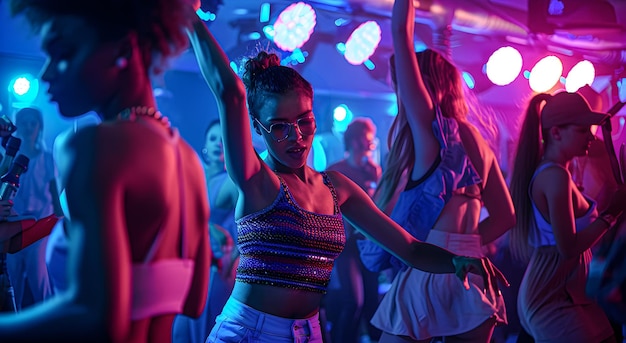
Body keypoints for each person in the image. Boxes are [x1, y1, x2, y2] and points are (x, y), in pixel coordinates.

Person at [187, 14, 507, 343]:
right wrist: (188, 15)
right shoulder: (258, 180)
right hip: (248, 333)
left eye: (304, 121)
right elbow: (230, 93)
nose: (296, 136)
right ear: (258, 127)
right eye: (279, 126)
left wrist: (456, 260)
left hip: (309, 334)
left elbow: (409, 249)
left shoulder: (336, 188)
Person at [1, 0, 210, 342]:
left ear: (123, 49)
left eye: (63, 51)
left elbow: (95, 317)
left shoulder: (95, 146)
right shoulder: (188, 161)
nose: (46, 73)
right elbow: (194, 301)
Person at [359, 1, 516, 342]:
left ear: (423, 85)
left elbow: (401, 33)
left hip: (432, 264)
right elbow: (505, 217)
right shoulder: (480, 143)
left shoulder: (432, 133)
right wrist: (468, 244)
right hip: (474, 271)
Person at [509, 90, 626, 343]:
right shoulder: (555, 177)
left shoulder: (561, 172)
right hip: (552, 292)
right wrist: (610, 214)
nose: (590, 137)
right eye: (583, 130)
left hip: (568, 289)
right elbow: (568, 247)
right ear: (556, 132)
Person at [173, 119, 238, 343]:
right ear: (205, 145)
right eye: (212, 139)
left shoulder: (231, 182)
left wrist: (237, 255)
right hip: (185, 263)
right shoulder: (191, 174)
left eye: (222, 139)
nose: (218, 143)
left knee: (206, 330)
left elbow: (253, 222)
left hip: (216, 267)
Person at [324, 117, 382, 343]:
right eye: (366, 138)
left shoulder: (373, 171)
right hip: (345, 246)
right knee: (353, 300)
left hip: (368, 244)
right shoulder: (336, 171)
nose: (370, 143)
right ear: (355, 141)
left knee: (371, 303)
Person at [5, 107, 61, 310]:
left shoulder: (47, 159)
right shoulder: (8, 159)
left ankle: (50, 329)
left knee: (40, 283)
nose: (28, 128)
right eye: (24, 123)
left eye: (33, 123)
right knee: (11, 287)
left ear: (40, 127)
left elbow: (55, 196)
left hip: (39, 231)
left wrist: (59, 225)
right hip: (13, 229)